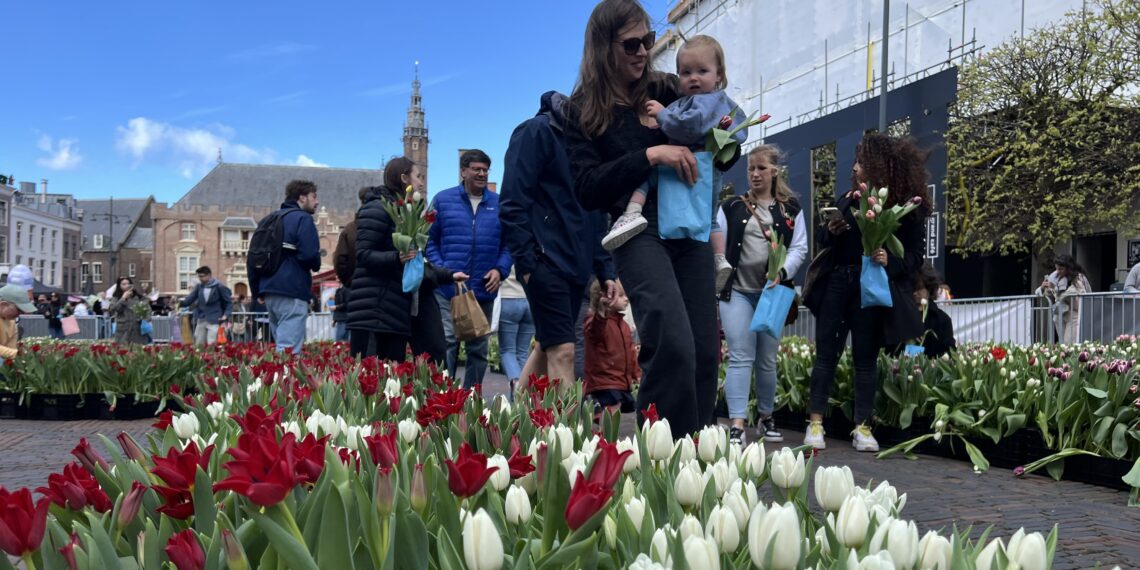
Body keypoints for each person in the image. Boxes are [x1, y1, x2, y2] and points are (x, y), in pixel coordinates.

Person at [566, 0, 737, 438]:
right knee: (672, 343)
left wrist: (726, 140)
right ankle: (660, 456)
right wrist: (650, 153)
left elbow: (720, 122)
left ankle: (700, 457)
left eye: (646, 40)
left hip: (691, 223)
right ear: (603, 47)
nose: (643, 51)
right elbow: (587, 187)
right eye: (631, 44)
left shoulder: (670, 85)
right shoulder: (584, 108)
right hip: (636, 229)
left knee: (703, 350)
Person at [802, 134, 931, 452]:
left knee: (866, 359)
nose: (855, 168)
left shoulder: (900, 208)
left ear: (879, 167)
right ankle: (815, 423)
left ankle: (862, 426)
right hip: (838, 283)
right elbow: (825, 242)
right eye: (856, 162)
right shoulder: (847, 199)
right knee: (826, 354)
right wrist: (829, 233)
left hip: (870, 284)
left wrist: (891, 262)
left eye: (861, 163)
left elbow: (916, 256)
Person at [601, 35, 748, 294]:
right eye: (685, 72)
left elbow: (686, 126)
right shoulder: (722, 103)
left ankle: (632, 213)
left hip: (686, 162)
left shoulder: (704, 101)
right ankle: (719, 258)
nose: (693, 78)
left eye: (702, 71)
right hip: (709, 169)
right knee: (710, 217)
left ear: (719, 75)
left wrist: (662, 113)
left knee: (648, 174)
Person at [500, 90, 617, 395]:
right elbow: (512, 202)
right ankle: (569, 440)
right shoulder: (536, 131)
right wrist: (528, 265)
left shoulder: (589, 145)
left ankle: (511, 424)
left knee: (546, 344)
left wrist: (605, 270)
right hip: (545, 262)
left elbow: (596, 211)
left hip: (575, 266)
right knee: (563, 350)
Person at [717, 145, 808, 446]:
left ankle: (766, 416)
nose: (755, 174)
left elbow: (799, 248)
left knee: (767, 361)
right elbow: (717, 243)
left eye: (761, 168)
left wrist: (782, 272)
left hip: (773, 295)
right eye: (751, 169)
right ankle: (737, 425)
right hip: (737, 293)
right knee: (741, 357)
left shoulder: (791, 208)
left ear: (774, 171)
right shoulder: (731, 207)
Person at [349, 157, 469, 361]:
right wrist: (397, 258)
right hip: (377, 309)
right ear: (404, 178)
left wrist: (448, 275)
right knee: (377, 373)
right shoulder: (378, 208)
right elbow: (364, 254)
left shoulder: (407, 212)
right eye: (418, 176)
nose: (422, 183)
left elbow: (416, 263)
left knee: (424, 359)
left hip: (397, 306)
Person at [427, 150, 512, 388]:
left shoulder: (500, 203)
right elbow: (428, 240)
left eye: (485, 170)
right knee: (448, 343)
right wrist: (444, 270)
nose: (482, 174)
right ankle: (444, 396)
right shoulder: (442, 200)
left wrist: (500, 270)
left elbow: (509, 244)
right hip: (448, 288)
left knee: (479, 348)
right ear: (463, 171)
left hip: (483, 289)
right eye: (476, 169)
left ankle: (471, 399)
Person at [249, 180, 322, 353]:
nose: (317, 201)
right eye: (314, 196)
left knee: (281, 345)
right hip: (292, 289)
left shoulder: (268, 219)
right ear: (302, 198)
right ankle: (283, 380)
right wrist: (316, 263)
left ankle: (277, 377)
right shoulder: (303, 219)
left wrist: (256, 290)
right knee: (288, 350)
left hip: (269, 292)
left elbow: (252, 258)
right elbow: (309, 255)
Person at [583, 279, 639, 419]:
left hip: (620, 381)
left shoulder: (623, 325)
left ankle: (606, 434)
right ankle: (605, 436)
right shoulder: (597, 322)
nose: (626, 299)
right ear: (604, 298)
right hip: (604, 382)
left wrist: (636, 374)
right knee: (610, 415)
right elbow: (595, 332)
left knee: (616, 415)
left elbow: (631, 352)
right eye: (620, 296)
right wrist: (601, 312)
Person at [1035, 253, 1091, 344]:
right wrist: (1042, 287)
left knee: (1069, 342)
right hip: (1060, 315)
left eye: (1061, 269)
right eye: (1056, 268)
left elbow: (1074, 292)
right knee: (1062, 344)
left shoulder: (1078, 278)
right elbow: (1040, 293)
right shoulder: (1056, 277)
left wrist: (1056, 290)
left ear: (1068, 268)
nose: (1058, 271)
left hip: (1073, 314)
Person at [496, 268, 533, 400]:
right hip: (531, 299)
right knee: (523, 353)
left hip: (508, 298)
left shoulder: (507, 247)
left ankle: (517, 384)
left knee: (507, 350)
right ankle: (519, 400)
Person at [907, 262, 956, 358]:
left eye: (919, 288)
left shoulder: (942, 319)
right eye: (912, 288)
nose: (915, 293)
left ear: (929, 288)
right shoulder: (901, 316)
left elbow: (950, 352)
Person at [179, 266, 233, 346]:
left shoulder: (219, 286)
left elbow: (228, 302)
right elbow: (190, 299)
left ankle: (211, 358)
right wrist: (179, 303)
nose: (200, 278)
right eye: (199, 276)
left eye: (202, 276)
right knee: (198, 343)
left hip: (215, 319)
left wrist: (225, 315)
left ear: (209, 275)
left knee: (212, 343)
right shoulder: (199, 286)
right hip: (201, 318)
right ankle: (199, 358)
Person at [107, 277, 150, 345]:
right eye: (124, 284)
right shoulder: (116, 297)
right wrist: (123, 298)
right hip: (123, 328)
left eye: (128, 284)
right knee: (123, 348)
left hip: (137, 328)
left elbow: (147, 308)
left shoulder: (138, 297)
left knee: (138, 349)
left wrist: (145, 319)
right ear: (119, 286)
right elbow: (114, 309)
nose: (127, 286)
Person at [0, 284, 37, 358]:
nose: (20, 314)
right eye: (19, 310)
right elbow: (12, 353)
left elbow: (11, 348)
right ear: (3, 305)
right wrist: (17, 354)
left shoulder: (12, 323)